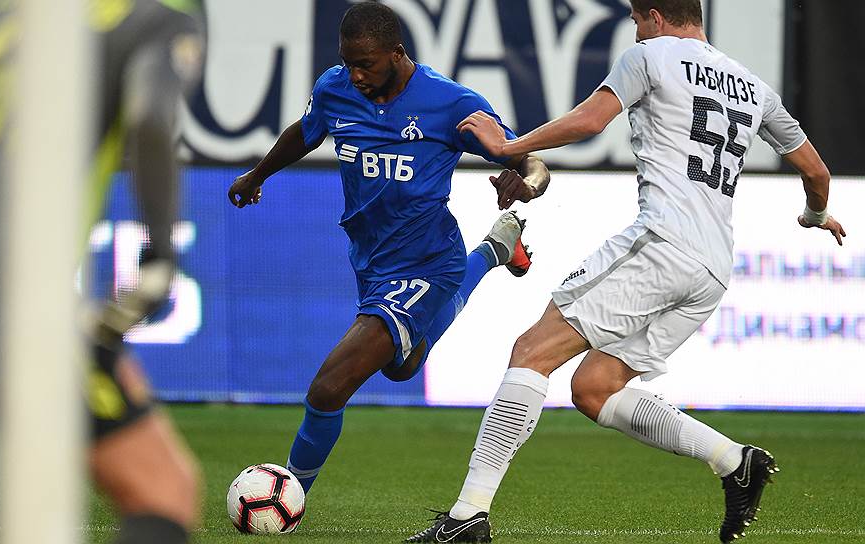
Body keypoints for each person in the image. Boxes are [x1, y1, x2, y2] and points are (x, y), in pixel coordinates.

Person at [406, 0, 846, 542]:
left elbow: (590, 121)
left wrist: (509, 147)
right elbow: (816, 172)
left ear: (655, 16)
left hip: (663, 243)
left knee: (532, 352)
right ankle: (734, 461)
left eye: (637, 21)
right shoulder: (754, 86)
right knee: (596, 387)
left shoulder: (651, 56)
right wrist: (815, 215)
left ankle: (466, 516)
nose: (636, 33)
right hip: (711, 269)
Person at [0, 1, 206, 543]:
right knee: (163, 491)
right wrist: (160, 255)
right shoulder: (160, 16)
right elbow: (151, 118)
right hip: (14, 284)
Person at [228, 1, 549, 497]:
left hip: (428, 262)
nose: (355, 75)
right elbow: (306, 131)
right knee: (402, 367)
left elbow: (532, 162)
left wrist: (525, 183)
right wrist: (258, 174)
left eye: (366, 64)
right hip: (372, 262)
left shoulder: (451, 103)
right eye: (348, 63)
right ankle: (494, 250)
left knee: (329, 387)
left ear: (397, 53)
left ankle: (289, 496)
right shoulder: (335, 88)